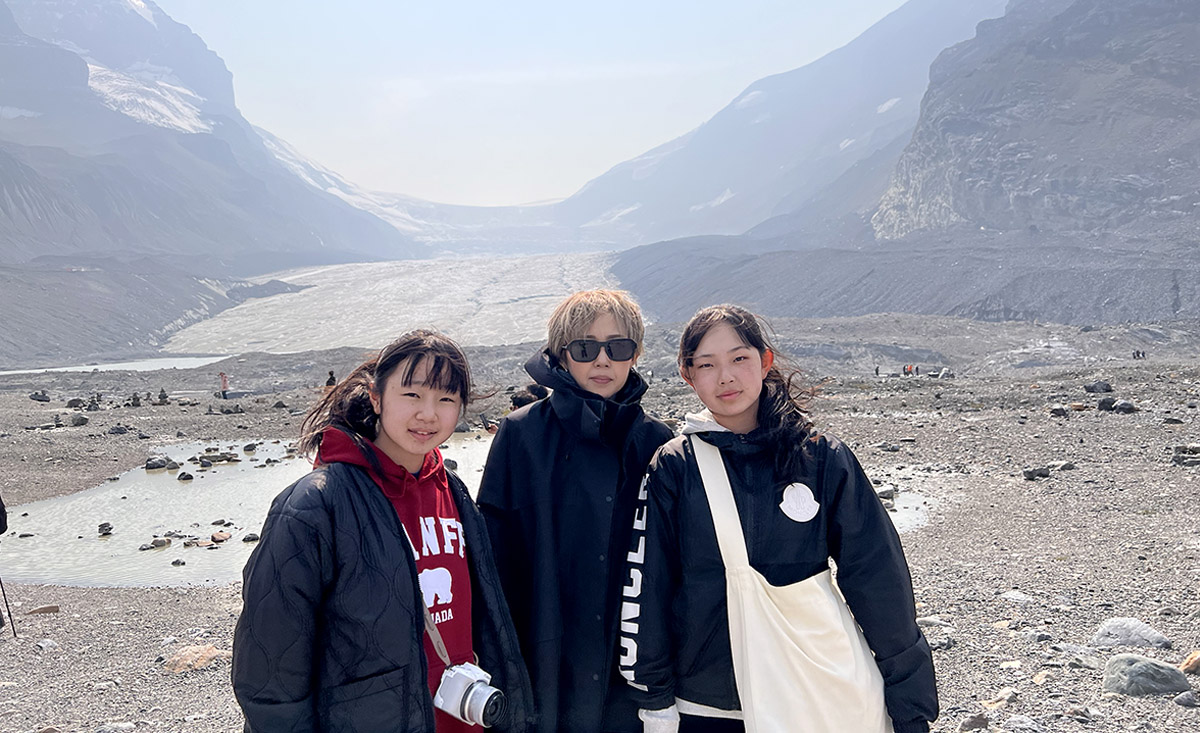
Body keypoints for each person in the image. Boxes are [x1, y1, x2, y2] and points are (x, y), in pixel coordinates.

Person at [620, 304, 937, 733]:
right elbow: (649, 585)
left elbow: (877, 579)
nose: (726, 376)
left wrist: (910, 704)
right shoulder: (676, 467)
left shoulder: (821, 458)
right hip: (709, 704)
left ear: (765, 361)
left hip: (817, 691)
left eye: (739, 359)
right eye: (707, 365)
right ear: (687, 374)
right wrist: (655, 701)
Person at [232, 330, 533, 732]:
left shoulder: (453, 492)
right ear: (376, 397)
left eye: (445, 399)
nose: (428, 414)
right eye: (412, 395)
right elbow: (270, 666)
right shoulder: (315, 506)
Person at [477, 290, 674, 733]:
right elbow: (493, 561)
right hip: (543, 659)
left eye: (618, 347)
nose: (602, 361)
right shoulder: (521, 435)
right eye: (585, 348)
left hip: (628, 669)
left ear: (635, 354)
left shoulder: (657, 443)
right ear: (561, 356)